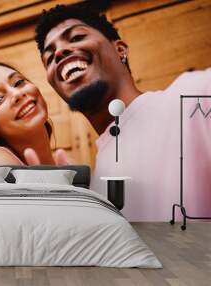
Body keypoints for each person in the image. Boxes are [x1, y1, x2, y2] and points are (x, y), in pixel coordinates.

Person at [31, 4, 211, 221]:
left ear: (120, 50)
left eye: (77, 37)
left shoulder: (196, 97)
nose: (59, 52)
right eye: (49, 58)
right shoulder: (97, 184)